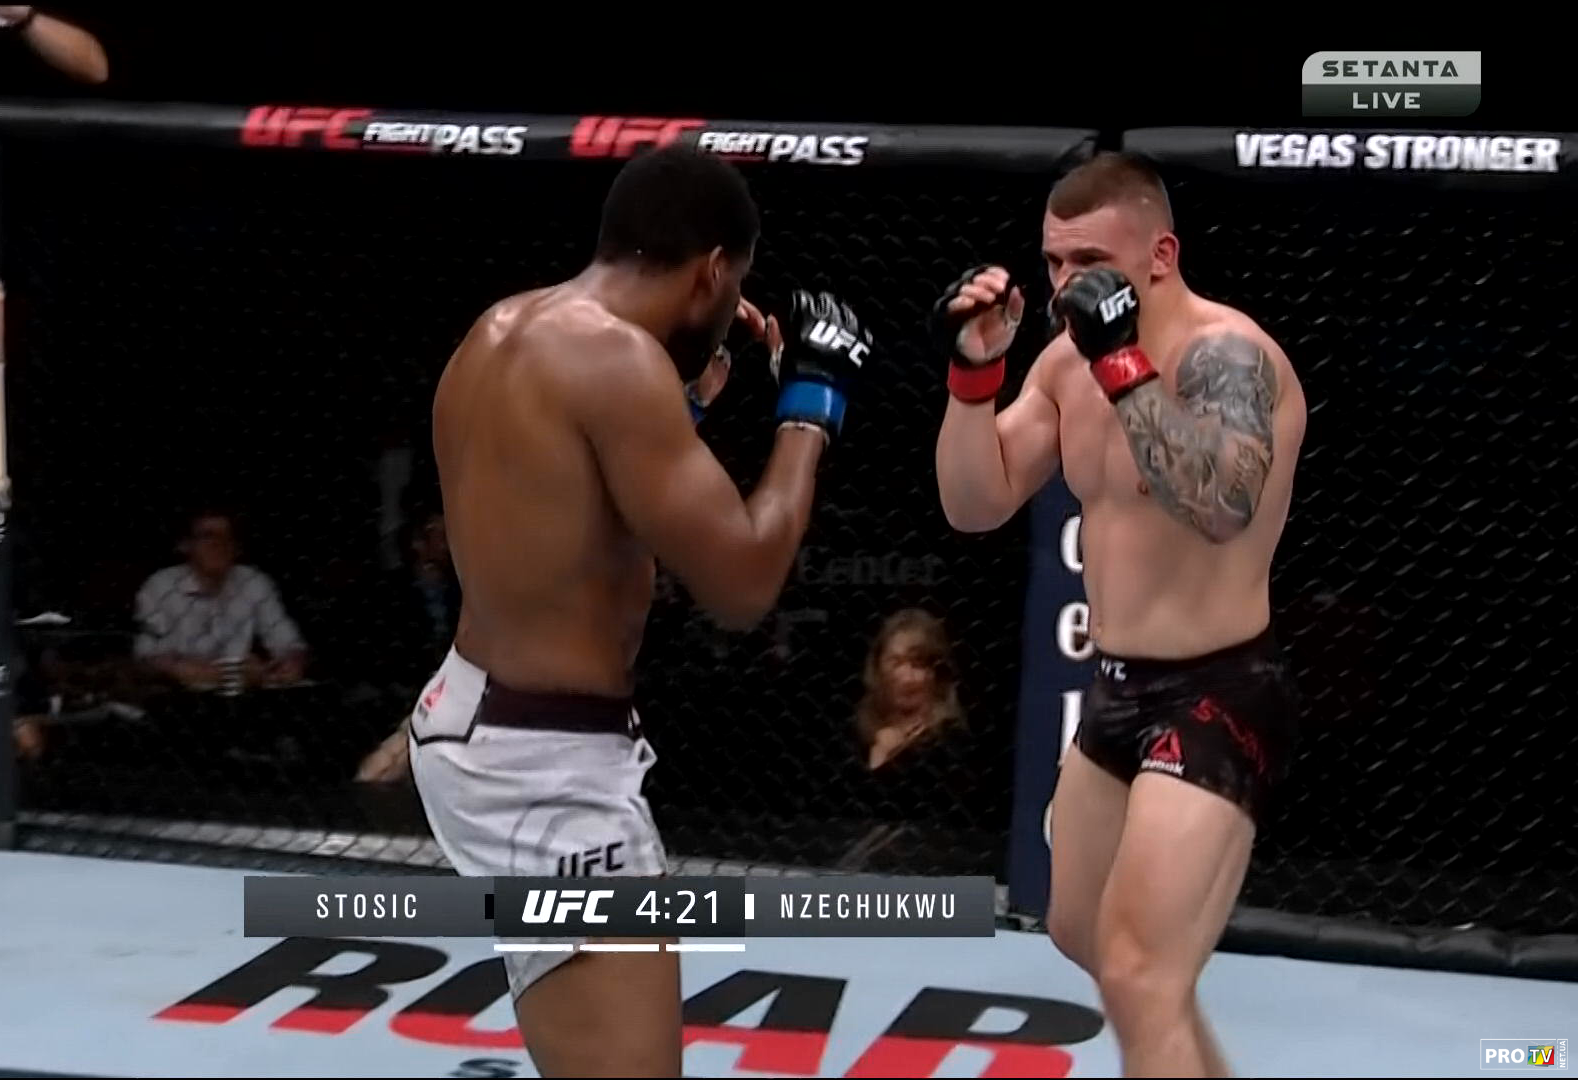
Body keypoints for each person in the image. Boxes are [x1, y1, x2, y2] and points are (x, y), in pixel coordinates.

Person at [408, 145, 873, 1078]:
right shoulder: (616, 362)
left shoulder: (501, 327)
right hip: (542, 768)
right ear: (712, 271)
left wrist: (685, 409)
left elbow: (561, 517)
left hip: (476, 713)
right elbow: (743, 587)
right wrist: (811, 405)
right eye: (733, 285)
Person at [931, 151, 1307, 1078]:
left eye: (1090, 260)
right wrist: (974, 376)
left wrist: (1122, 362)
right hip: (1114, 687)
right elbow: (975, 503)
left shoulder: (1229, 355)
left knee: (1142, 977)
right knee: (1082, 931)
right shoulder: (1064, 364)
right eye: (1055, 262)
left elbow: (1220, 507)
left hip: (1218, 693)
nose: (1067, 283)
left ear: (1160, 255)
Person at [133, 509, 308, 691]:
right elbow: (146, 657)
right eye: (208, 536)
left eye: (228, 537)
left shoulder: (254, 581)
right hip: (179, 695)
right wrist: (192, 670)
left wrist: (292, 663)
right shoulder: (160, 586)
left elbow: (289, 644)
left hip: (241, 693)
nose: (219, 544)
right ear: (185, 545)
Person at [854, 608, 968, 773]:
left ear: (936, 674)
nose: (907, 678)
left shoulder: (952, 743)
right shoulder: (858, 739)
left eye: (917, 664)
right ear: (878, 670)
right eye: (895, 663)